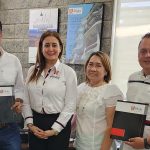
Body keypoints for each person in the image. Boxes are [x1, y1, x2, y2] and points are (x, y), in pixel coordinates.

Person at [22, 30, 77, 150]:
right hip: (36, 124)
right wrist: (30, 124)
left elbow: (71, 104)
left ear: (60, 48)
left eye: (54, 45)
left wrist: (55, 129)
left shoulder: (68, 72)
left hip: (59, 124)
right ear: (41, 48)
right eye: (46, 45)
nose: (50, 49)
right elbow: (25, 100)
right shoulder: (32, 70)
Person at [75, 51, 124, 150]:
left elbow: (112, 127)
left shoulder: (112, 91)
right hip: (80, 145)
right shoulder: (81, 88)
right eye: (90, 64)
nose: (93, 69)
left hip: (100, 147)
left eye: (98, 66)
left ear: (106, 71)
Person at [123, 33, 150, 150]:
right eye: (143, 51)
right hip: (129, 141)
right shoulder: (132, 78)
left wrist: (145, 142)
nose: (147, 55)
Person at [0, 21, 24, 150]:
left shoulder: (13, 61)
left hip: (8, 129)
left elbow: (20, 87)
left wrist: (19, 101)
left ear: (1, 35)